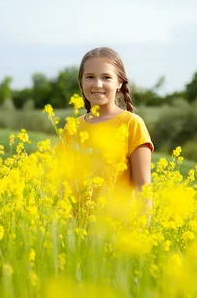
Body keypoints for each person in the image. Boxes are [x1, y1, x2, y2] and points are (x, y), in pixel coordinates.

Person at [56, 47, 154, 200]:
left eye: (106, 77)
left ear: (119, 83)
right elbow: (60, 184)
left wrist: (141, 224)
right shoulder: (71, 128)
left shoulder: (132, 124)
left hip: (117, 223)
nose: (97, 84)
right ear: (81, 82)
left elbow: (144, 190)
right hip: (73, 223)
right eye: (89, 77)